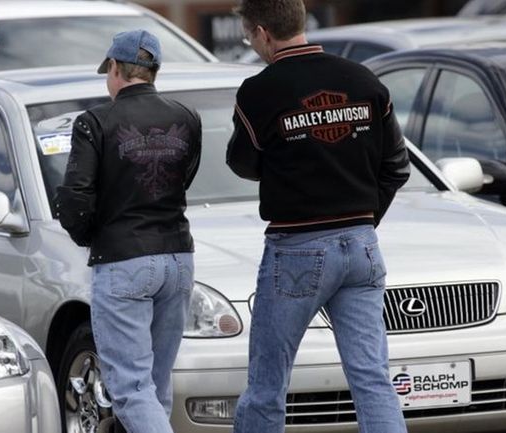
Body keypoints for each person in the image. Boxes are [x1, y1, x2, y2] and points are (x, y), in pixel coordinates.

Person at [226, 1, 410, 433]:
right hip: (362, 248)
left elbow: (242, 163)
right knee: (372, 379)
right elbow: (396, 166)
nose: (251, 45)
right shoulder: (363, 79)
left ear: (263, 33)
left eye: (248, 36)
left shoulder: (259, 91)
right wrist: (364, 217)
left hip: (297, 249)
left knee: (268, 382)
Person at [55, 29, 202, 433]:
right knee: (156, 383)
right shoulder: (186, 117)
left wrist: (88, 234)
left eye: (109, 71)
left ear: (116, 68)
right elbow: (182, 179)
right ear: (154, 71)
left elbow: (77, 198)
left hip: (123, 260)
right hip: (177, 256)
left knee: (131, 388)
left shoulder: (94, 122)